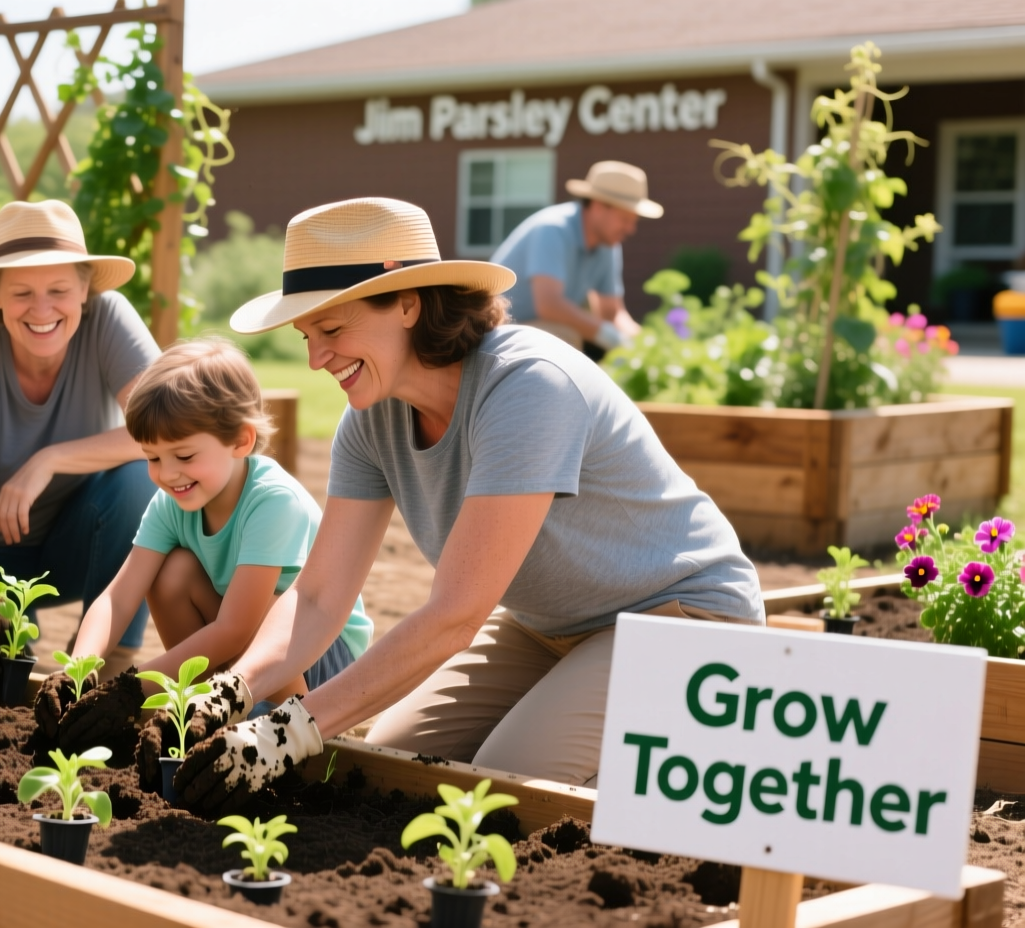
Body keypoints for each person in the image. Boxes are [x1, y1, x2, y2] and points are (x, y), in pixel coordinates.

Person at [164, 198, 762, 817]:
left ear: (406, 303)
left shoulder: (528, 385)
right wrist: (232, 691)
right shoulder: (371, 422)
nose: (317, 359)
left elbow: (455, 616)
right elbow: (317, 597)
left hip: (680, 618)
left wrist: (285, 732)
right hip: (547, 627)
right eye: (306, 336)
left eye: (333, 330)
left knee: (510, 788)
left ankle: (704, 767)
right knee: (392, 763)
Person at [28, 338, 373, 771]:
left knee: (266, 609)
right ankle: (204, 710)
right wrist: (77, 671)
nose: (167, 474)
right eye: (152, 457)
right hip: (245, 649)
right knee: (172, 573)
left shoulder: (272, 500)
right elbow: (120, 595)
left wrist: (132, 691)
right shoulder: (172, 502)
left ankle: (284, 730)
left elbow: (237, 628)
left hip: (320, 656)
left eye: (185, 455)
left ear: (240, 441)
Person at [0, 199, 159, 677]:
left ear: (85, 289)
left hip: (69, 542)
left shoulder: (108, 320)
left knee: (142, 479)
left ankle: (107, 658)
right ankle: (12, 628)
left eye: (59, 289)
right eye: (21, 292)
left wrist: (50, 458)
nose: (42, 309)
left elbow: (168, 429)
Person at [490, 160, 661, 358]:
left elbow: (611, 313)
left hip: (535, 327)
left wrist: (644, 343)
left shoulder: (608, 244)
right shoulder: (553, 230)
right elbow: (549, 305)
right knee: (566, 337)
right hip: (495, 329)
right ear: (598, 206)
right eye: (625, 220)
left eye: (633, 221)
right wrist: (608, 335)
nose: (630, 229)